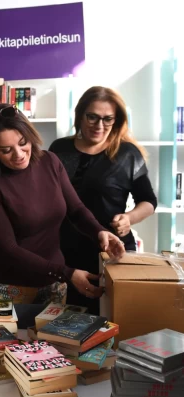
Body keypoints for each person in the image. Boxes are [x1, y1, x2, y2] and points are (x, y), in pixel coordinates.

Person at [0, 103, 125, 311]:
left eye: (23, 143)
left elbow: (76, 210)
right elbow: (8, 249)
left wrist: (99, 231)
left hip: (52, 284)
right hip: (3, 287)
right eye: (6, 150)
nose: (19, 154)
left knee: (51, 335)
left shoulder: (50, 162)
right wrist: (66, 273)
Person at [50, 86, 157, 313]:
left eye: (108, 119)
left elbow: (148, 201)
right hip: (65, 252)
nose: (99, 125)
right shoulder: (59, 148)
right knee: (62, 325)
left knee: (111, 321)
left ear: (116, 121)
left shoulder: (128, 153)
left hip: (110, 251)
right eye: (92, 117)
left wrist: (129, 218)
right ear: (80, 116)